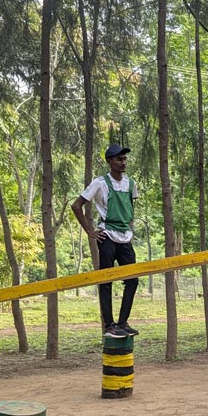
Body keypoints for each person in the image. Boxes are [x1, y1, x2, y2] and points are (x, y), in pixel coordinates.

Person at [72, 144, 140, 339]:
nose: (123, 162)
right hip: (107, 235)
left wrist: (129, 228)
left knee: (132, 280)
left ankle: (123, 322)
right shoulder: (100, 183)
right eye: (119, 159)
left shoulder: (131, 183)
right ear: (110, 161)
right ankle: (109, 325)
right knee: (106, 279)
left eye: (125, 159)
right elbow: (76, 205)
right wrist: (90, 231)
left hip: (125, 237)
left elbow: (130, 207)